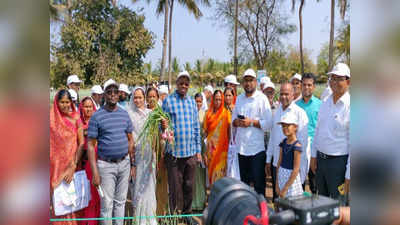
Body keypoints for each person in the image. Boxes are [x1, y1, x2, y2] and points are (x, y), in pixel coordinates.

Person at [87, 79, 135, 225]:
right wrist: (95, 172)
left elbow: (130, 138)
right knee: (107, 205)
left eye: (115, 92)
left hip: (124, 164)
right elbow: (90, 145)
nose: (113, 95)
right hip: (105, 166)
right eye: (109, 92)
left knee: (120, 203)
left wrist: (130, 162)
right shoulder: (97, 116)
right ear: (104, 95)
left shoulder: (124, 114)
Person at [161, 71, 201, 225]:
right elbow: (161, 126)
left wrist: (198, 150)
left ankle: (187, 215)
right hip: (174, 153)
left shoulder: (192, 102)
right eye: (181, 83)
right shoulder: (169, 101)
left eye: (186, 83)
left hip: (190, 152)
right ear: (176, 84)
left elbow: (196, 127)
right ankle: (173, 216)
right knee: (175, 187)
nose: (184, 86)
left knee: (189, 186)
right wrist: (162, 126)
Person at [310, 63, 350, 200]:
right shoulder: (325, 103)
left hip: (339, 164)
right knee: (321, 202)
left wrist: (349, 174)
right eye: (332, 78)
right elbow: (318, 131)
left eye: (339, 78)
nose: (335, 82)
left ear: (348, 81)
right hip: (321, 161)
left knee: (339, 206)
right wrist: (313, 156)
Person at [232, 68, 272, 196]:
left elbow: (268, 123)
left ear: (255, 82)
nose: (248, 83)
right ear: (243, 83)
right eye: (246, 81)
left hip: (256, 150)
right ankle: (246, 213)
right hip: (241, 149)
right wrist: (238, 122)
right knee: (243, 185)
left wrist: (252, 122)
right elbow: (233, 121)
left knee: (259, 185)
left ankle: (261, 214)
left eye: (251, 80)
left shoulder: (262, 99)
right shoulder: (239, 99)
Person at [266, 83, 308, 202]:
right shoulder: (276, 112)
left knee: (294, 203)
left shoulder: (300, 113)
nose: (283, 97)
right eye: (281, 94)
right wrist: (268, 159)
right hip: (277, 165)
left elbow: (303, 145)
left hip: (292, 168)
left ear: (293, 95)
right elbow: (272, 137)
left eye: (287, 94)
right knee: (278, 199)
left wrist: (301, 171)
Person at [50, 89, 84, 225]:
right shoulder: (50, 119)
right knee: (58, 204)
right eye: (62, 102)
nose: (65, 105)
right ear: (56, 103)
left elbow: (81, 143)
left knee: (73, 201)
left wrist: (73, 166)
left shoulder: (76, 118)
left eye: (67, 102)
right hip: (55, 170)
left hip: (72, 168)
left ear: (71, 102)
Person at [126, 87, 157, 225]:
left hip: (150, 156)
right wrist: (132, 161)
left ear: (144, 98)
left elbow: (156, 135)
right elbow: (129, 138)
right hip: (137, 156)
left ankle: (150, 217)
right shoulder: (129, 115)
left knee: (150, 186)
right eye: (135, 97)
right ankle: (139, 219)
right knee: (138, 186)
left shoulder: (151, 114)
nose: (138, 100)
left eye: (140, 97)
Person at [296, 73, 322, 193]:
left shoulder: (320, 105)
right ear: (301, 86)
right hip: (299, 151)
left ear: (314, 87)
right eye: (304, 85)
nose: (307, 87)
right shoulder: (295, 105)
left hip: (314, 152)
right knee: (298, 184)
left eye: (309, 85)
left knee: (314, 185)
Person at [78, 97, 100, 225]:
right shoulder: (78, 123)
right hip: (83, 165)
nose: (88, 109)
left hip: (96, 164)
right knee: (85, 196)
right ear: (81, 108)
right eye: (85, 106)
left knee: (95, 196)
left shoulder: (97, 122)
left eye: (90, 106)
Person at [204, 90, 231, 185]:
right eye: (216, 99)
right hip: (210, 151)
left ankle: (220, 197)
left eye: (220, 99)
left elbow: (229, 133)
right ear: (212, 100)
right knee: (212, 174)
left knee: (220, 174)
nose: (218, 102)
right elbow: (205, 133)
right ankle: (213, 195)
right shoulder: (208, 114)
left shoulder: (226, 114)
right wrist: (204, 152)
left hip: (222, 151)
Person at [276, 112, 304, 198]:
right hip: (281, 176)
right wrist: (277, 183)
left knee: (291, 204)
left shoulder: (297, 146)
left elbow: (296, 169)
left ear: (295, 127)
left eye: (288, 125)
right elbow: (279, 162)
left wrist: (285, 188)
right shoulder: (283, 142)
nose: (285, 128)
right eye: (283, 126)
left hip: (291, 181)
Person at [192, 93, 207, 211]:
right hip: (191, 146)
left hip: (202, 147)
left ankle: (201, 201)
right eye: (196, 101)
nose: (198, 104)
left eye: (200, 101)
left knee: (201, 175)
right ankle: (193, 202)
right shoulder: (190, 113)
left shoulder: (204, 115)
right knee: (192, 175)